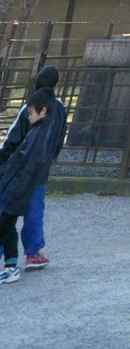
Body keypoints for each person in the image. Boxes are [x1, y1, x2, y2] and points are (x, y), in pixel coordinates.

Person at [0, 65, 67, 269]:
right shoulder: (60, 109)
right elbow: (60, 139)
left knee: (6, 211)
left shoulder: (32, 106)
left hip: (19, 169)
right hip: (41, 170)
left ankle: (4, 253)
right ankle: (33, 253)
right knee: (34, 210)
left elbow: (13, 138)